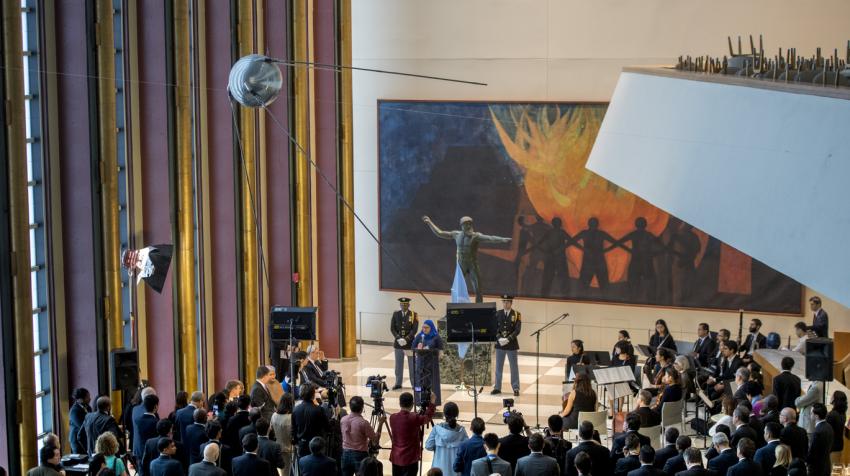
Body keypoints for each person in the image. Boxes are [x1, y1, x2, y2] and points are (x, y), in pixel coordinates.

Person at [422, 215, 511, 303]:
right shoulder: (456, 235)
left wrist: (503, 240)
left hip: (472, 264)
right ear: (462, 226)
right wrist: (430, 223)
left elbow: (490, 238)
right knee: (456, 288)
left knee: (478, 288)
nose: (469, 226)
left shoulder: (476, 236)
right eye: (466, 224)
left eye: (470, 224)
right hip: (462, 264)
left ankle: (479, 308)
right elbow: (440, 233)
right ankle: (455, 306)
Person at [389, 391, 436, 476]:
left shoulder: (392, 418)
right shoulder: (414, 418)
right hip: (410, 459)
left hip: (396, 458)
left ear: (400, 403)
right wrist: (432, 403)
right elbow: (428, 417)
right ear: (412, 404)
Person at [341, 396, 384, 476]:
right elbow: (375, 440)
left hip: (345, 454)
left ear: (350, 407)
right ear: (362, 407)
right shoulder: (363, 423)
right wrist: (381, 423)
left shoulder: (343, 420)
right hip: (360, 455)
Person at [425, 402, 468, 475]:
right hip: (456, 471)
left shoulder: (437, 429)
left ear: (444, 414)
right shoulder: (462, 431)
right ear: (457, 414)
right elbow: (466, 450)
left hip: (438, 470)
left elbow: (428, 446)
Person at [492, 294, 521, 396]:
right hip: (500, 344)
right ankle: (497, 387)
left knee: (514, 367)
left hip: (511, 344)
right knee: (498, 367)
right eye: (504, 302)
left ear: (511, 303)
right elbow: (494, 327)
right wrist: (499, 338)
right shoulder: (497, 313)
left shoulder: (516, 314)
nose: (505, 303)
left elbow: (517, 330)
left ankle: (516, 387)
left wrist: (508, 339)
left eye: (507, 302)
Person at [292, 383, 331, 457]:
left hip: (302, 444)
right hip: (317, 445)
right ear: (313, 395)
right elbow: (327, 427)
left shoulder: (295, 409)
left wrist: (296, 442)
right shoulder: (319, 409)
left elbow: (294, 429)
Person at [411, 319, 445, 405]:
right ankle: (419, 402)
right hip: (421, 364)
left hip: (431, 364)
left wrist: (431, 349)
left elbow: (440, 350)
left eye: (426, 328)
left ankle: (433, 403)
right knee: (420, 382)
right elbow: (413, 347)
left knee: (432, 383)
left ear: (431, 328)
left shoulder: (436, 337)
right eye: (423, 327)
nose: (424, 329)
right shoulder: (419, 336)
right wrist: (418, 348)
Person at [390, 297, 418, 390]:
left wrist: (406, 338)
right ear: (400, 305)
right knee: (398, 365)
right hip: (398, 344)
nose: (403, 306)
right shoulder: (395, 314)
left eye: (405, 304)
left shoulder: (413, 315)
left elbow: (414, 329)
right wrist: (398, 338)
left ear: (409, 305)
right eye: (402, 305)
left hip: (409, 344)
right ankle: (398, 383)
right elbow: (392, 328)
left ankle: (414, 384)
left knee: (412, 365)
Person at [270, 392, 294, 474]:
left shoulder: (274, 416)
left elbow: (271, 430)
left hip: (278, 447)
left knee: (282, 472)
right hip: (289, 449)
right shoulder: (290, 418)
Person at [807, 403, 833, 476]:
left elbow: (812, 453)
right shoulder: (829, 427)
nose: (810, 414)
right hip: (827, 466)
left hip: (816, 469)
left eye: (811, 413)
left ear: (816, 416)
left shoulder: (817, 432)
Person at [134, 394, 161, 463]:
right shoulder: (156, 422)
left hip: (140, 452)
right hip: (154, 454)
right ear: (155, 406)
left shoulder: (137, 420)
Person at [826, 391, 847, 465]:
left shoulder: (831, 415)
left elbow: (827, 432)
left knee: (832, 470)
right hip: (839, 445)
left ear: (835, 399)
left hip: (832, 447)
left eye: (832, 396)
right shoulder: (843, 413)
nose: (830, 397)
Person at [70, 387, 92, 454]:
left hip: (86, 439)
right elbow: (82, 425)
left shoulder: (88, 407)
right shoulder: (74, 411)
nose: (90, 399)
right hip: (77, 441)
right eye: (87, 397)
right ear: (80, 399)